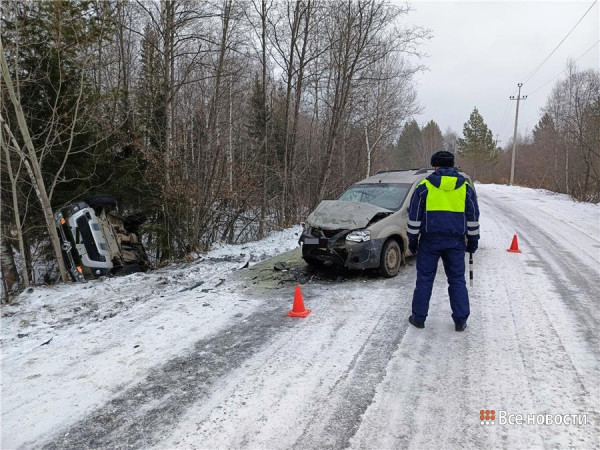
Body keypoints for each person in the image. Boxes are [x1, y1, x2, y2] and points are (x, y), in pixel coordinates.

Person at [406, 150, 480, 332]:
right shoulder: (465, 187)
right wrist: (473, 240)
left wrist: (412, 240)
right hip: (455, 242)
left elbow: (414, 217)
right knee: (457, 280)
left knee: (424, 279)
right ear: (452, 165)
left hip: (429, 241)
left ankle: (419, 318)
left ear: (435, 166)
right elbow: (473, 218)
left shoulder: (424, 186)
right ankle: (460, 320)